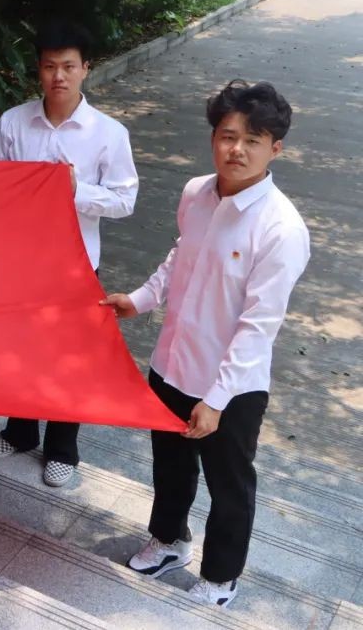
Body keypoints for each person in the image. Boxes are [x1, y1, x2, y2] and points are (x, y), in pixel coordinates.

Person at [102, 80, 309, 607]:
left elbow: (259, 326)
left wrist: (216, 401)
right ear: (214, 138)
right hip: (172, 362)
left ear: (275, 149)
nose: (236, 149)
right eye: (227, 136)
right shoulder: (196, 192)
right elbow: (180, 257)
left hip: (231, 388)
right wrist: (141, 299)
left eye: (252, 140)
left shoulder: (281, 229)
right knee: (170, 465)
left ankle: (220, 577)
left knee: (228, 483)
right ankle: (169, 541)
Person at [0, 19, 138, 487]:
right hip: (22, 262)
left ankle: (63, 448)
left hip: (77, 263)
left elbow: (125, 200)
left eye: (69, 66)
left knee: (70, 357)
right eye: (50, 66)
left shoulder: (108, 133)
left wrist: (75, 189)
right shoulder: (14, 122)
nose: (59, 76)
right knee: (21, 349)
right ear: (38, 69)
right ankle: (19, 431)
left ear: (86, 68)